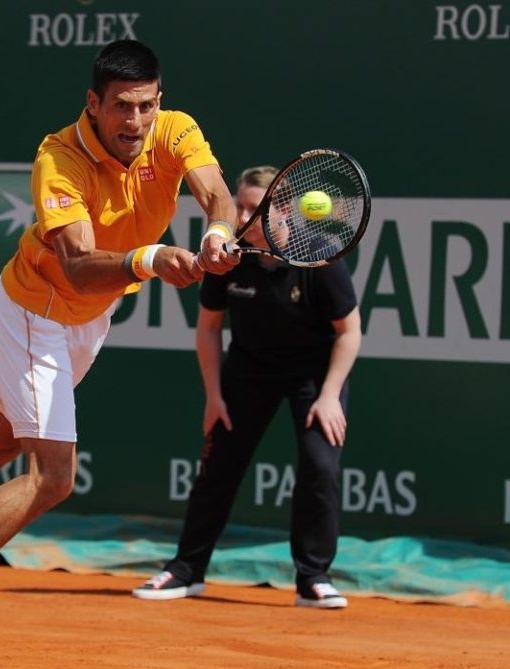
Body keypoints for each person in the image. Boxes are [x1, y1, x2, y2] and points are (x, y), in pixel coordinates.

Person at [0, 40, 238, 669]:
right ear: (93, 104)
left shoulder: (175, 131)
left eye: (146, 106)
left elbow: (218, 197)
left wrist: (214, 235)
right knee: (53, 477)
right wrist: (148, 259)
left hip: (87, 321)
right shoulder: (57, 158)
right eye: (121, 107)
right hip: (39, 307)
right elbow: (79, 266)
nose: (135, 123)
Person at [132, 164, 362, 609]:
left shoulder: (319, 255)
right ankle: (186, 570)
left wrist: (330, 395)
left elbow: (349, 331)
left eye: (252, 207)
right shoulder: (226, 257)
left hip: (313, 375)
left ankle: (313, 578)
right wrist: (214, 397)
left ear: (283, 213)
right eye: (237, 205)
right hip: (248, 369)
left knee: (321, 464)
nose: (240, 215)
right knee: (217, 465)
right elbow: (208, 329)